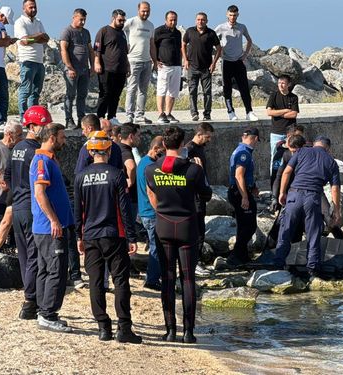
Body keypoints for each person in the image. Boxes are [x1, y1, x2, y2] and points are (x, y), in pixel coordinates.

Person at [145, 126, 212, 344]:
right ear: (182, 144)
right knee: (188, 279)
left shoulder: (151, 170)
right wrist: (199, 172)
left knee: (167, 279)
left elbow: (152, 192)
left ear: (164, 145)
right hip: (186, 226)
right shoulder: (193, 170)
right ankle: (189, 332)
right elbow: (206, 195)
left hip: (163, 225)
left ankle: (170, 330)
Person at [74, 130, 142, 343]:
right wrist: (132, 237)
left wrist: (78, 236)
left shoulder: (81, 177)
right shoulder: (116, 174)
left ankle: (103, 327)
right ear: (110, 149)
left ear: (90, 151)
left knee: (95, 282)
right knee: (120, 281)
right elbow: (124, 209)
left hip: (91, 235)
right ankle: (124, 328)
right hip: (114, 234)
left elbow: (78, 210)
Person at [273, 136, 341, 277]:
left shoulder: (301, 151)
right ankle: (313, 268)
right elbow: (335, 189)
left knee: (286, 230)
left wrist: (281, 193)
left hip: (294, 195)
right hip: (313, 198)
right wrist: (336, 210)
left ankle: (278, 264)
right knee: (313, 233)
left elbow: (286, 172)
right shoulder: (331, 162)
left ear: (314, 144)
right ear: (328, 148)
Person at [6, 105, 51, 320]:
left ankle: (29, 297)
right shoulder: (36, 151)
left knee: (25, 256)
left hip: (18, 206)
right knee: (34, 256)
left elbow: (5, 175)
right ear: (32, 126)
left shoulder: (17, 148)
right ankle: (30, 301)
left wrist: (18, 189)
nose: (46, 129)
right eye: (43, 125)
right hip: (32, 207)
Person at [29, 122, 74, 332]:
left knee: (47, 269)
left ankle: (44, 311)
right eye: (62, 137)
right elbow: (39, 193)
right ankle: (47, 314)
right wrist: (54, 220)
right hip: (49, 228)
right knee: (56, 270)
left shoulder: (48, 160)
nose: (65, 140)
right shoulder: (42, 161)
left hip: (48, 227)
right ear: (52, 138)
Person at [215, 5, 258, 121]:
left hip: (239, 61)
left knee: (244, 87)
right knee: (227, 88)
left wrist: (245, 55)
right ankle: (230, 112)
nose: (232, 17)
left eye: (234, 15)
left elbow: (249, 40)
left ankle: (249, 112)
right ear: (226, 14)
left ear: (238, 15)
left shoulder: (242, 27)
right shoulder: (221, 27)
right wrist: (218, 52)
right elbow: (211, 39)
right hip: (226, 62)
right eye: (230, 15)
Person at [227, 127, 260, 267]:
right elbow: (239, 175)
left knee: (242, 225)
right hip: (239, 192)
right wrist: (245, 197)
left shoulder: (240, 150)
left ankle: (242, 255)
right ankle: (235, 255)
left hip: (240, 191)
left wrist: (253, 187)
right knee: (250, 226)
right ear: (256, 139)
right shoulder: (244, 153)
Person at [184, 122, 214, 276]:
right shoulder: (189, 150)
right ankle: (193, 263)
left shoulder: (200, 148)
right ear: (199, 134)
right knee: (197, 230)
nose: (209, 140)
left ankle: (197, 260)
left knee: (200, 228)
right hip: (194, 196)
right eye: (207, 137)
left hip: (200, 195)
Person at [181, 12, 221, 121]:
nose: (200, 21)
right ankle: (194, 113)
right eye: (198, 19)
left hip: (206, 68)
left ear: (206, 21)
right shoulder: (190, 31)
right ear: (195, 21)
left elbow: (219, 48)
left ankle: (207, 114)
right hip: (192, 67)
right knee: (192, 91)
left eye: (203, 20)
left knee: (207, 92)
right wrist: (185, 60)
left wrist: (214, 63)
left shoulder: (211, 33)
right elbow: (183, 44)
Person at [136, 135, 163, 291]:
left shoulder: (143, 163)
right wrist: (160, 211)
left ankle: (153, 276)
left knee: (155, 246)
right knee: (156, 247)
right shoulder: (149, 166)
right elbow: (151, 192)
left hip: (145, 211)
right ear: (155, 148)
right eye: (162, 151)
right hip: (151, 212)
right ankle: (152, 279)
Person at [14, 0, 49, 119]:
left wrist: (33, 38)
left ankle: (32, 117)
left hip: (39, 61)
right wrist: (38, 36)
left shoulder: (38, 22)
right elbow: (24, 41)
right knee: (25, 90)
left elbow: (46, 39)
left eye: (35, 7)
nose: (33, 9)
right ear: (24, 9)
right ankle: (23, 117)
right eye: (30, 7)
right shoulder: (20, 22)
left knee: (35, 92)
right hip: (27, 60)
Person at [59, 8, 94, 130]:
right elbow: (63, 50)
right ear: (74, 17)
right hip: (72, 70)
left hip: (84, 70)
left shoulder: (86, 32)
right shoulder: (67, 31)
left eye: (84, 20)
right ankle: (69, 120)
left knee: (82, 95)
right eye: (81, 19)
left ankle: (81, 119)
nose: (83, 22)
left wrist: (93, 66)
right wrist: (69, 67)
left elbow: (90, 50)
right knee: (70, 94)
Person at [94, 9, 129, 126]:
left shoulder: (122, 33)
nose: (122, 22)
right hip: (107, 69)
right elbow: (97, 49)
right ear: (113, 18)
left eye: (124, 20)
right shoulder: (104, 31)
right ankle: (99, 117)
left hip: (121, 69)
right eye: (120, 20)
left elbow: (125, 51)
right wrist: (97, 62)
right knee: (105, 93)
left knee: (116, 95)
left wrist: (127, 65)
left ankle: (112, 116)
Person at [0, 120, 21, 233]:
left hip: (15, 199)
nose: (22, 137)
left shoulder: (19, 149)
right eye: (19, 135)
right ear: (9, 134)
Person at [124, 1, 156, 125]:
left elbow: (152, 44)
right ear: (138, 10)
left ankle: (140, 114)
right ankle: (129, 115)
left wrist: (155, 61)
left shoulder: (151, 25)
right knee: (131, 88)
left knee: (143, 89)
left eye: (147, 11)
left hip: (147, 62)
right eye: (143, 10)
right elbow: (119, 30)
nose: (145, 13)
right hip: (133, 61)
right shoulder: (131, 22)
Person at [153, 11, 181, 125]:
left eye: (175, 20)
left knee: (173, 91)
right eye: (171, 20)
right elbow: (152, 46)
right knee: (162, 90)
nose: (173, 22)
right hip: (164, 65)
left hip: (176, 65)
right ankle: (161, 114)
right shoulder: (159, 31)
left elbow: (180, 48)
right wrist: (154, 60)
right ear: (166, 20)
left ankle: (168, 113)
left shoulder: (178, 33)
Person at [266, 74, 299, 170]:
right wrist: (285, 110)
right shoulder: (273, 95)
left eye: (283, 83)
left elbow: (293, 114)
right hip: (276, 132)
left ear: (288, 84)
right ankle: (274, 179)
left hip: (290, 132)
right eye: (279, 83)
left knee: (293, 156)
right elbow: (269, 112)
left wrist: (276, 113)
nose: (281, 85)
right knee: (275, 157)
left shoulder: (293, 97)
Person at [119, 123, 140, 221]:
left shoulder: (117, 148)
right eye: (138, 136)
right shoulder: (125, 151)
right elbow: (131, 166)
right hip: (130, 198)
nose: (139, 139)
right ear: (131, 136)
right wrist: (130, 181)